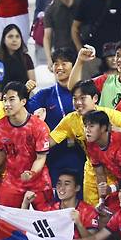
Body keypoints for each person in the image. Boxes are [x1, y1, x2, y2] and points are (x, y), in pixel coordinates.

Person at [49, 79, 121, 206]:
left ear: (95, 98)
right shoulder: (70, 120)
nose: (78, 103)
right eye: (75, 99)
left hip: (120, 169)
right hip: (94, 169)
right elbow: (47, 143)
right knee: (94, 211)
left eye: (82, 98)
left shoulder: (114, 116)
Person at [0, 82, 53, 210]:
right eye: (5, 100)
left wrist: (31, 173)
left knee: (46, 218)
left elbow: (40, 158)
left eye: (11, 99)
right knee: (5, 220)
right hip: (13, 181)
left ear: (23, 101)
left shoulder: (39, 126)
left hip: (39, 181)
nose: (7, 104)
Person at [19, 170, 99, 240]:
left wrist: (79, 224)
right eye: (59, 184)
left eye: (67, 184)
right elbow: (25, 226)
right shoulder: (51, 210)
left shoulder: (88, 210)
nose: (61, 188)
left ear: (77, 188)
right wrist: (25, 203)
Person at [26, 48, 85, 188]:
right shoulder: (45, 94)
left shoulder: (86, 91)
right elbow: (23, 112)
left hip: (83, 154)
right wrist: (25, 91)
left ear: (74, 65)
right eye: (55, 64)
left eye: (64, 63)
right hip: (55, 156)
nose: (59, 67)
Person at [84, 110, 121, 214]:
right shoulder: (91, 144)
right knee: (103, 214)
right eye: (85, 126)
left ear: (104, 128)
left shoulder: (120, 141)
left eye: (91, 126)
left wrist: (111, 189)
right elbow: (100, 175)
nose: (87, 130)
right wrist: (102, 200)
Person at [68, 40, 121, 109]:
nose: (120, 60)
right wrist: (80, 61)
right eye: (118, 55)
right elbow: (74, 87)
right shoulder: (105, 80)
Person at [43, 0, 82, 67]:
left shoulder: (82, 4)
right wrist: (48, 58)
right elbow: (47, 36)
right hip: (62, 55)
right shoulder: (50, 10)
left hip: (83, 52)